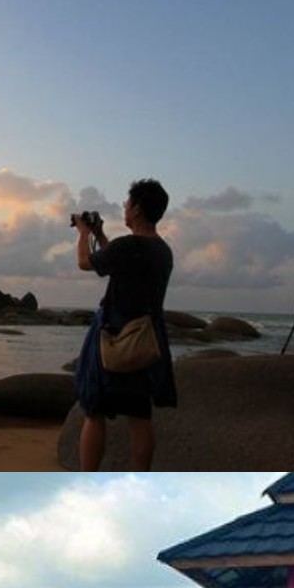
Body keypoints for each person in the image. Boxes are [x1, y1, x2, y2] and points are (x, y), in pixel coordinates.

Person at [75, 178, 176, 471]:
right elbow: (115, 263)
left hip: (114, 338)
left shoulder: (128, 246)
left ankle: (88, 477)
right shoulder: (162, 251)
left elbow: (85, 262)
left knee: (94, 411)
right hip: (146, 341)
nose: (124, 207)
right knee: (140, 416)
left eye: (128, 203)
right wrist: (102, 234)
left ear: (138, 209)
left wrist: (83, 233)